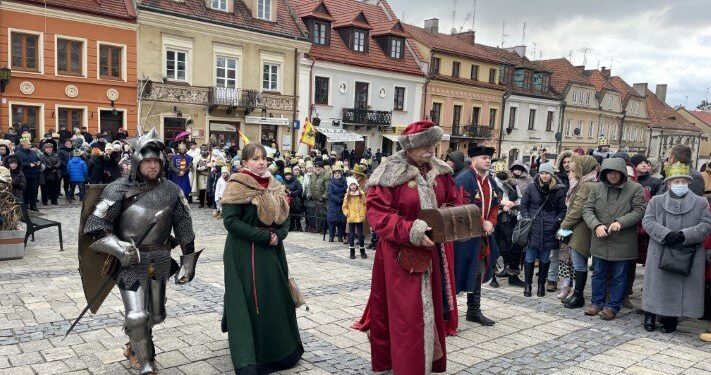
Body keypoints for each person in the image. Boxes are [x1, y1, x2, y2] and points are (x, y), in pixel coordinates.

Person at [82, 128, 197, 374]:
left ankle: (133, 342)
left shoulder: (171, 191)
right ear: (136, 162)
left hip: (160, 259)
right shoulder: (118, 189)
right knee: (137, 316)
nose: (153, 166)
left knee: (156, 316)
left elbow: (185, 229)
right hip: (130, 261)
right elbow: (95, 226)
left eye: (156, 161)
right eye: (147, 161)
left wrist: (188, 264)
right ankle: (146, 363)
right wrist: (118, 246)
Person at [354, 121, 457, 374]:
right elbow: (378, 214)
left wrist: (452, 218)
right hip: (400, 256)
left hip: (433, 252)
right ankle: (405, 366)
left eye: (432, 145)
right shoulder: (388, 172)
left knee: (430, 309)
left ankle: (427, 361)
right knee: (406, 315)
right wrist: (411, 230)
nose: (430, 151)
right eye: (424, 146)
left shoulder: (440, 171)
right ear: (410, 147)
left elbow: (453, 201)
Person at [220, 143, 303, 374]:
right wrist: (265, 237)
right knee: (249, 300)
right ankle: (251, 357)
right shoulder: (236, 185)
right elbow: (231, 223)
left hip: (273, 251)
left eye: (264, 158)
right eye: (256, 158)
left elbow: (285, 216)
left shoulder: (275, 185)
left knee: (274, 297)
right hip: (244, 252)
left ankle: (280, 352)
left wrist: (280, 234)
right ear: (244, 162)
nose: (261, 162)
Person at [641, 162, 711, 333]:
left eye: (683, 181)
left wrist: (683, 235)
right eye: (676, 181)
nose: (680, 185)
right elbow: (647, 221)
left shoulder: (700, 202)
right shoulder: (656, 201)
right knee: (656, 284)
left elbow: (706, 225)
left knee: (679, 287)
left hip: (687, 251)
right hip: (660, 249)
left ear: (688, 183)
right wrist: (665, 234)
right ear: (669, 183)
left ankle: (671, 318)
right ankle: (649, 314)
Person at [582, 158, 646, 320]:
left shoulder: (635, 188)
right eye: (609, 173)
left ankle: (613, 306)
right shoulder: (597, 188)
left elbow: (639, 211)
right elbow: (587, 209)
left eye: (616, 173)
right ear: (604, 173)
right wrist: (596, 225)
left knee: (619, 276)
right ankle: (596, 303)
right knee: (598, 274)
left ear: (622, 173)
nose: (613, 176)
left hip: (623, 241)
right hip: (601, 239)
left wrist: (621, 222)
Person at [454, 146, 501, 326]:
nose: (488, 161)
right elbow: (461, 207)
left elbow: (496, 203)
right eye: (484, 158)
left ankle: (473, 310)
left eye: (489, 158)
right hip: (465, 237)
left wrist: (491, 221)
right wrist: (481, 222)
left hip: (483, 236)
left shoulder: (490, 181)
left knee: (479, 270)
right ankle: (447, 312)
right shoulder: (464, 179)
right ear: (474, 160)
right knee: (460, 270)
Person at [520, 163, 567, 297]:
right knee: (529, 256)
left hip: (549, 228)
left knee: (545, 258)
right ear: (539, 174)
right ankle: (527, 285)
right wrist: (527, 218)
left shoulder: (558, 190)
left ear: (551, 174)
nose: (544, 175)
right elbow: (524, 205)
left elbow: (562, 209)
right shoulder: (531, 187)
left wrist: (556, 221)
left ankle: (541, 285)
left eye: (547, 173)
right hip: (533, 227)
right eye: (542, 173)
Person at [559, 155, 599, 309]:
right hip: (577, 226)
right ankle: (576, 294)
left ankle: (578, 296)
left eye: (576, 166)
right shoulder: (585, 182)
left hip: (580, 228)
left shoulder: (587, 185)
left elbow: (577, 209)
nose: (573, 169)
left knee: (578, 263)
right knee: (577, 263)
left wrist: (564, 226)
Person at [492, 161, 525, 287]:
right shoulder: (492, 183)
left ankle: (512, 274)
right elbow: (491, 199)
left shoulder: (512, 183)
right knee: (497, 246)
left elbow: (520, 197)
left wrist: (514, 204)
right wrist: (503, 204)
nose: (502, 174)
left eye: (504, 171)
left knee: (513, 245)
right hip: (497, 219)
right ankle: (492, 276)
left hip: (512, 218)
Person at [342, 176, 367, 259]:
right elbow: (344, 207)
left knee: (360, 235)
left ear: (357, 185)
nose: (353, 186)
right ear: (349, 186)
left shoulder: (361, 194)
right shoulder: (347, 196)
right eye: (351, 185)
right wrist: (347, 213)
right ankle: (352, 252)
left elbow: (365, 204)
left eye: (354, 185)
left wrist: (364, 211)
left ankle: (362, 251)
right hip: (351, 217)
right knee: (351, 235)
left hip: (360, 217)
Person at [15, 138, 40, 211]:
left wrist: (38, 162)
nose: (30, 145)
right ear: (23, 144)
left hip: (34, 174)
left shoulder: (33, 152)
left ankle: (33, 205)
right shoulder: (18, 153)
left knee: (33, 190)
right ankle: (25, 205)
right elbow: (18, 164)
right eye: (28, 144)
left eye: (30, 144)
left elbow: (38, 159)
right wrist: (28, 165)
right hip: (24, 175)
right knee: (24, 190)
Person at [326, 164, 347, 242]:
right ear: (333, 174)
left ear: (341, 174)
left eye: (339, 173)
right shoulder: (330, 183)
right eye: (335, 173)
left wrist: (343, 199)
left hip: (342, 203)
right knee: (332, 222)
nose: (337, 175)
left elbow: (346, 191)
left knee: (341, 222)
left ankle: (340, 236)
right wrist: (339, 200)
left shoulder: (344, 181)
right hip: (333, 204)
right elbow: (330, 194)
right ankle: (331, 236)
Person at [39, 141, 61, 206]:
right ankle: (45, 201)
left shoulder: (56, 155)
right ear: (44, 149)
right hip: (46, 175)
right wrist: (51, 168)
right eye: (47, 148)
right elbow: (43, 164)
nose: (49, 149)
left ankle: (54, 201)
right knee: (45, 189)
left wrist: (55, 167)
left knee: (54, 189)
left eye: (50, 148)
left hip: (55, 175)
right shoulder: (42, 156)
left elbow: (59, 162)